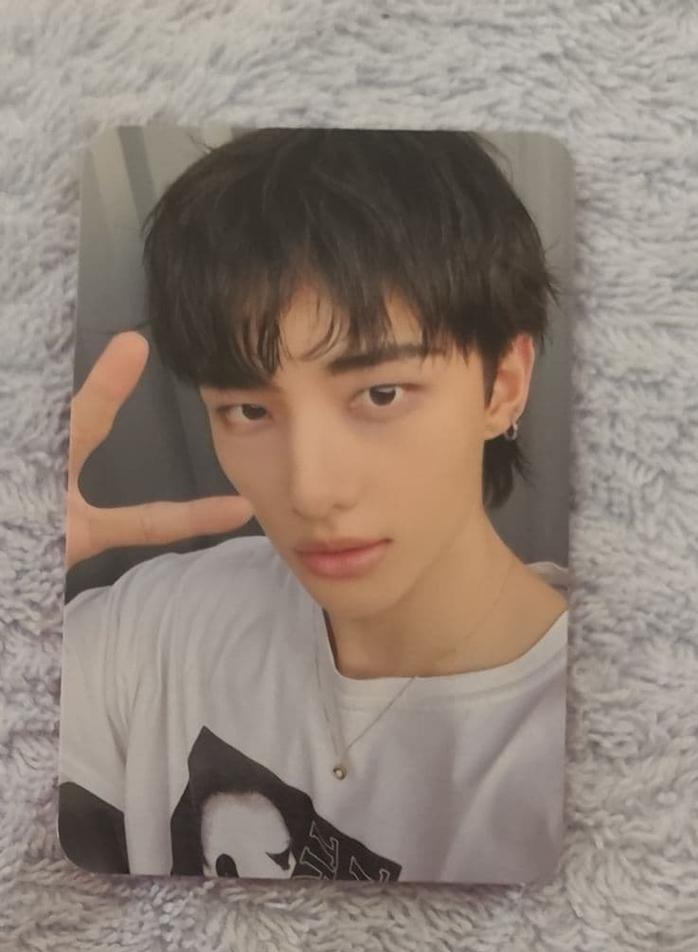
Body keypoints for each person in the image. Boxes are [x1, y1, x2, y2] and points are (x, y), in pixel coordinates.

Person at [58, 128, 569, 884]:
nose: (308, 489)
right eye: (248, 411)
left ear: (503, 386)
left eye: (380, 394)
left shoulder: (612, 735)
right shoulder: (158, 625)